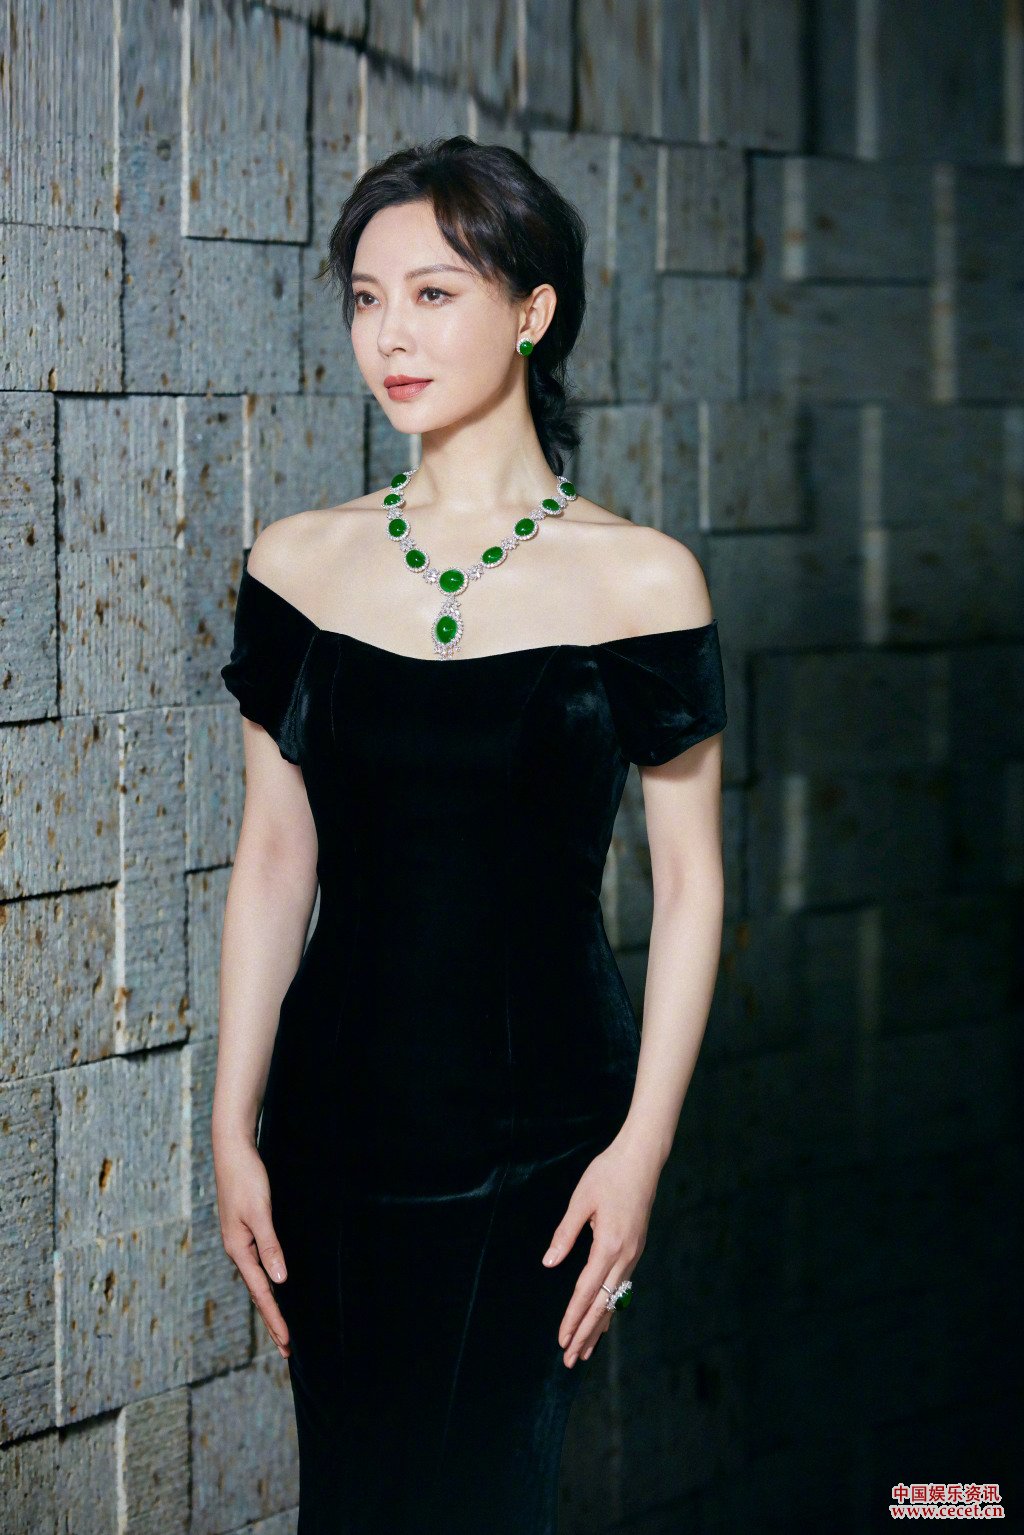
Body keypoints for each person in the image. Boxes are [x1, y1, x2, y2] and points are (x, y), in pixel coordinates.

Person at [212, 135, 727, 1535]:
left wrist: (641, 1151)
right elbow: (275, 859)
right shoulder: (295, 562)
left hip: (546, 1139)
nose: (390, 336)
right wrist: (231, 1124)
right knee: (353, 1500)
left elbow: (690, 887)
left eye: (434, 294)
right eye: (366, 298)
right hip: (332, 1123)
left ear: (532, 310)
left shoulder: (642, 579)